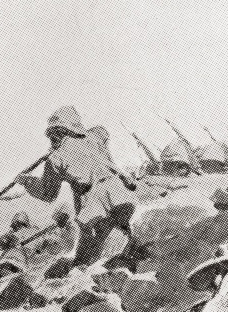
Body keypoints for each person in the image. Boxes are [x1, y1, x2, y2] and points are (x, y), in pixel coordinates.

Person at [12, 105, 138, 272]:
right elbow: (102, 133)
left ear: (60, 132)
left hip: (95, 206)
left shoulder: (55, 158)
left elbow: (48, 194)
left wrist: (26, 181)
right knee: (121, 237)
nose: (52, 139)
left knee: (83, 262)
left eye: (54, 134)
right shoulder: (95, 137)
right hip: (122, 193)